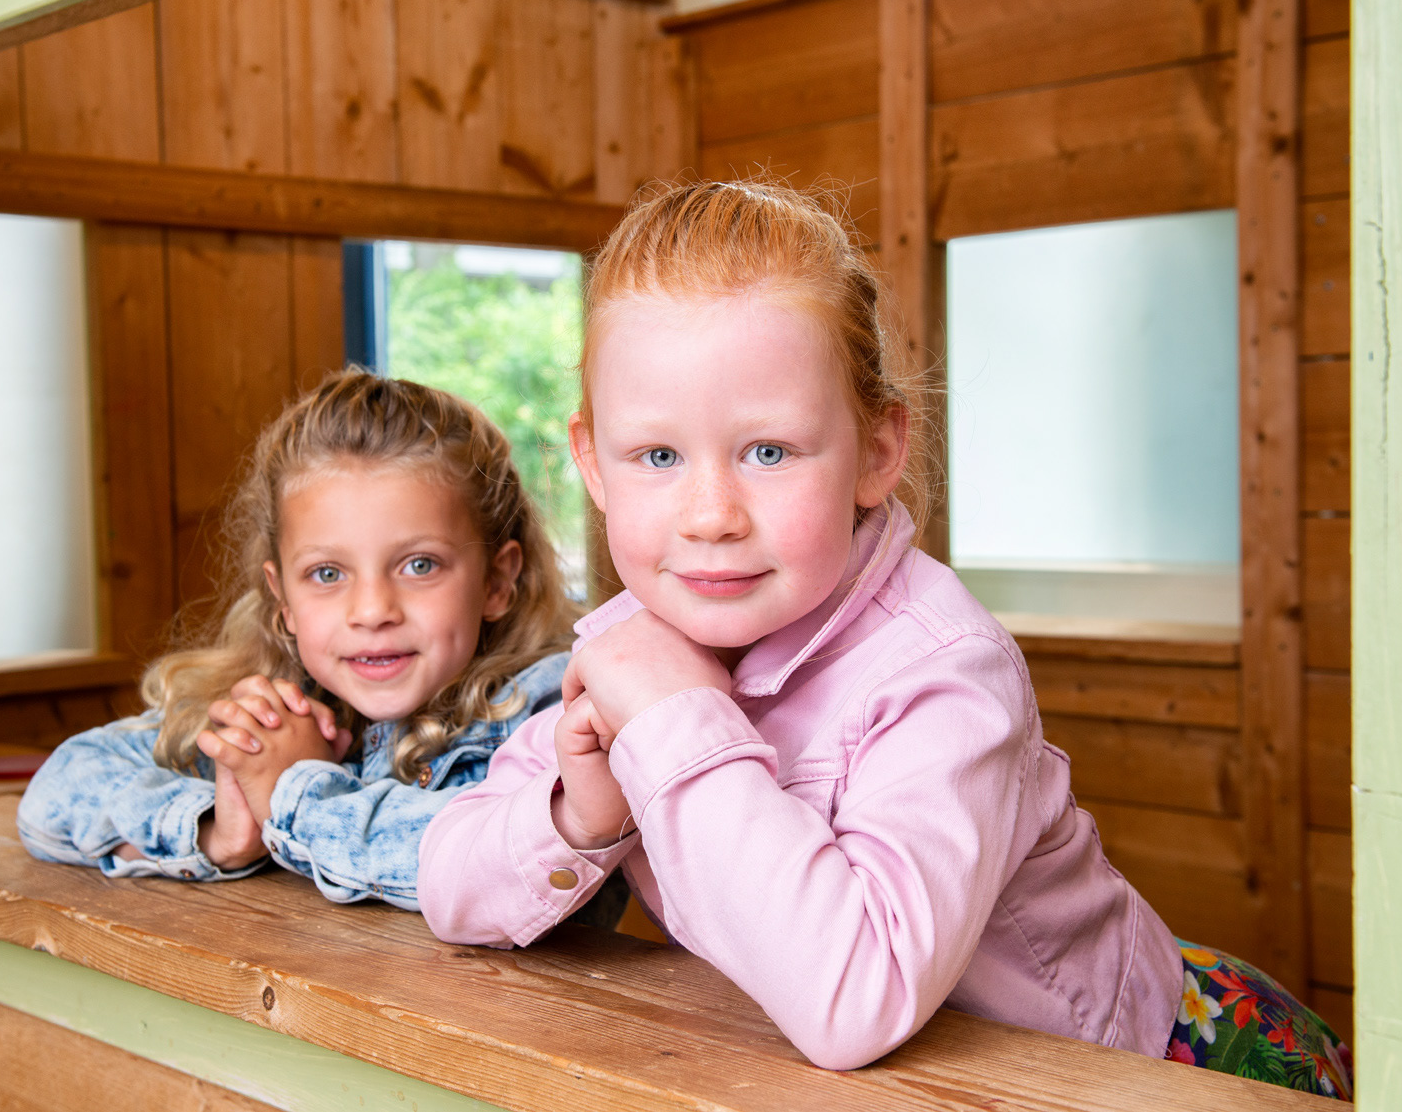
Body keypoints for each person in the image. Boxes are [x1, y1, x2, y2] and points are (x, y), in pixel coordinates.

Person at [417, 180, 1351, 1097]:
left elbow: (855, 998)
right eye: (657, 456)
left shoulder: (947, 670)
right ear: (592, 462)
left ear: (876, 451)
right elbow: (448, 883)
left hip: (1163, 1061)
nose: (710, 515)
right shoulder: (630, 647)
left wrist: (677, 724)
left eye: (769, 452)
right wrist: (581, 817)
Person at [17, 371, 577, 912]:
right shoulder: (278, 709)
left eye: (419, 564)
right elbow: (57, 794)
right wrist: (217, 831)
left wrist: (296, 790)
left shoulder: (556, 708)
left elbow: (500, 869)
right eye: (327, 574)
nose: (372, 611)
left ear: (496, 581)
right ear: (282, 598)